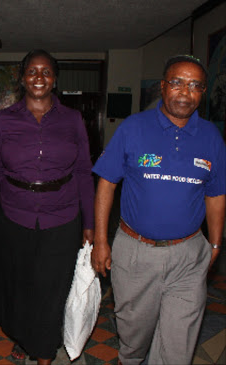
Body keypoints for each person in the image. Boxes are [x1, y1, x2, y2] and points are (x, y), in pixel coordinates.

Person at [92, 55, 225, 365]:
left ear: (202, 92)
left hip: (188, 256)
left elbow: (216, 194)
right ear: (163, 87)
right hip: (135, 253)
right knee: (133, 340)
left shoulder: (211, 137)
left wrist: (215, 243)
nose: (185, 92)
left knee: (177, 349)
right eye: (177, 82)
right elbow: (106, 184)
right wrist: (101, 240)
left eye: (195, 86)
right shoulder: (133, 127)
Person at [0, 49, 95, 365]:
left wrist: (90, 223)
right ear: (22, 78)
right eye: (32, 71)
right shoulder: (4, 120)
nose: (38, 77)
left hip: (63, 216)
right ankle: (26, 336)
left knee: (52, 287)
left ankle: (43, 351)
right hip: (15, 215)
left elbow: (83, 170)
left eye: (46, 72)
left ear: (54, 79)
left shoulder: (72, 119)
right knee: (20, 285)